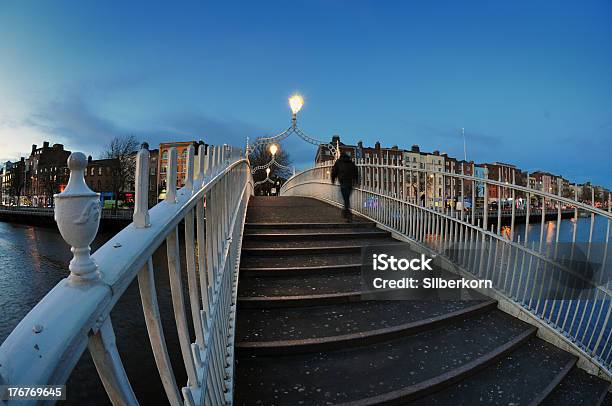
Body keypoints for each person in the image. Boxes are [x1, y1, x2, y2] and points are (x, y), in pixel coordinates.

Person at [331, 153, 359, 221]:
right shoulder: (351, 163)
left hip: (343, 182)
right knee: (346, 197)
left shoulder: (338, 162)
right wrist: (356, 180)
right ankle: (347, 213)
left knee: (346, 198)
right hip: (350, 182)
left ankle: (347, 214)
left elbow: (334, 171)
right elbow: (356, 172)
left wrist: (333, 180)